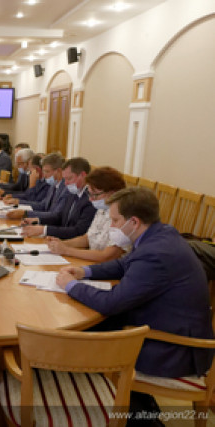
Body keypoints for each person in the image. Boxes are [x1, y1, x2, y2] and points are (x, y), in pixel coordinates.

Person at [55, 187, 213, 379]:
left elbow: (111, 303)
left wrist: (71, 285)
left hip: (172, 349)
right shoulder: (160, 233)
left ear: (134, 222)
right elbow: (124, 264)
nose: (111, 226)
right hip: (159, 323)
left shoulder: (155, 254)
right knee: (81, 331)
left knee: (72, 345)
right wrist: (85, 271)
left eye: (115, 221)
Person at [47, 166, 129, 262]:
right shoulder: (102, 209)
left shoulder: (125, 215)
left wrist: (66, 250)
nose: (90, 199)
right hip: (92, 261)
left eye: (95, 194)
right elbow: (88, 238)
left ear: (112, 193)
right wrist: (62, 243)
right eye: (89, 194)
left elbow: (106, 256)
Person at [21, 157, 96, 239]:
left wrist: (44, 230)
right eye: (65, 179)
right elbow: (60, 217)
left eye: (69, 178)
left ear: (83, 175)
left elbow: (78, 231)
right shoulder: (73, 193)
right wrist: (37, 220)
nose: (66, 183)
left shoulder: (91, 199)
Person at [6, 153, 67, 218]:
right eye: (44, 171)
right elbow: (42, 205)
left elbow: (56, 216)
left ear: (59, 171)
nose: (44, 175)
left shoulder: (65, 189)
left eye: (47, 171)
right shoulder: (53, 185)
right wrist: (18, 202)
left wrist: (26, 214)